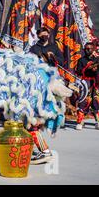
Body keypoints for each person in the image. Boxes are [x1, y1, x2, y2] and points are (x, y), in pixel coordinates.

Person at [28, 28, 60, 164]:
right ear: (38, 36)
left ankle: (44, 151)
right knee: (30, 123)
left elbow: (61, 61)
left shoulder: (54, 47)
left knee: (31, 123)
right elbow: (28, 64)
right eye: (41, 34)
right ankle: (40, 149)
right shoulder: (34, 48)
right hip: (35, 84)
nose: (44, 36)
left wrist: (52, 59)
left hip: (47, 85)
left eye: (46, 33)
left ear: (49, 35)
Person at [76, 42, 99, 131]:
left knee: (96, 101)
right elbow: (78, 71)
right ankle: (80, 121)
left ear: (93, 49)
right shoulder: (81, 60)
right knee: (83, 101)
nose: (87, 50)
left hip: (95, 82)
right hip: (85, 82)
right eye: (86, 49)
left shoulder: (98, 60)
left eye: (89, 48)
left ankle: (98, 122)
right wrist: (87, 68)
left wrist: (96, 71)